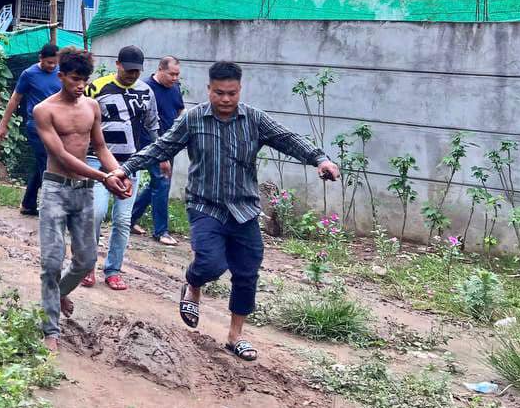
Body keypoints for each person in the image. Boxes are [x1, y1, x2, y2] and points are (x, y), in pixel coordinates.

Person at [113, 60, 340, 361]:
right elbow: (161, 147)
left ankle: (235, 336)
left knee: (246, 274)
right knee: (210, 264)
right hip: (205, 205)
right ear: (209, 89)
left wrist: (320, 160)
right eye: (219, 93)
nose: (225, 99)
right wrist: (126, 168)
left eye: (231, 93)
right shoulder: (193, 119)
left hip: (244, 208)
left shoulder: (253, 119)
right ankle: (193, 283)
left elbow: (288, 139)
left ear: (239, 90)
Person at [32, 48, 131, 351]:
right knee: (51, 261)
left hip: (84, 191)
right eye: (75, 79)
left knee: (86, 260)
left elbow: (100, 147)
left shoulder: (92, 106)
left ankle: (60, 292)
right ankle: (50, 330)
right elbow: (61, 155)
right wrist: (104, 177)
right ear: (61, 76)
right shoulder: (44, 110)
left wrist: (119, 172)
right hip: (55, 190)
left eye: (84, 79)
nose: (80, 85)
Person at [82, 45, 158, 291]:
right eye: (128, 70)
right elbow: (81, 119)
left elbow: (152, 125)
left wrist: (161, 155)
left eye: (137, 71)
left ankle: (113, 270)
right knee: (95, 213)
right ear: (118, 65)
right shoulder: (96, 88)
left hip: (130, 164)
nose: (132, 75)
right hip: (97, 161)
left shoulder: (146, 92)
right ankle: (87, 266)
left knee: (123, 220)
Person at [0, 43, 61, 216]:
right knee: (47, 163)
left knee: (41, 164)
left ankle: (28, 204)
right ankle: (51, 208)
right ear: (40, 58)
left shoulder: (61, 73)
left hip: (57, 126)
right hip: (36, 126)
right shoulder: (29, 74)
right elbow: (15, 99)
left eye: (55, 62)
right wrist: (3, 124)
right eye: (49, 63)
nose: (52, 66)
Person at [130, 55, 185, 245]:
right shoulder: (145, 88)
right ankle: (161, 231)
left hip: (170, 144)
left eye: (177, 74)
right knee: (162, 181)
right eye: (171, 74)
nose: (175, 78)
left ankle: (130, 219)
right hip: (150, 144)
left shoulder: (175, 88)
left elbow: (180, 111)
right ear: (160, 69)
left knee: (157, 183)